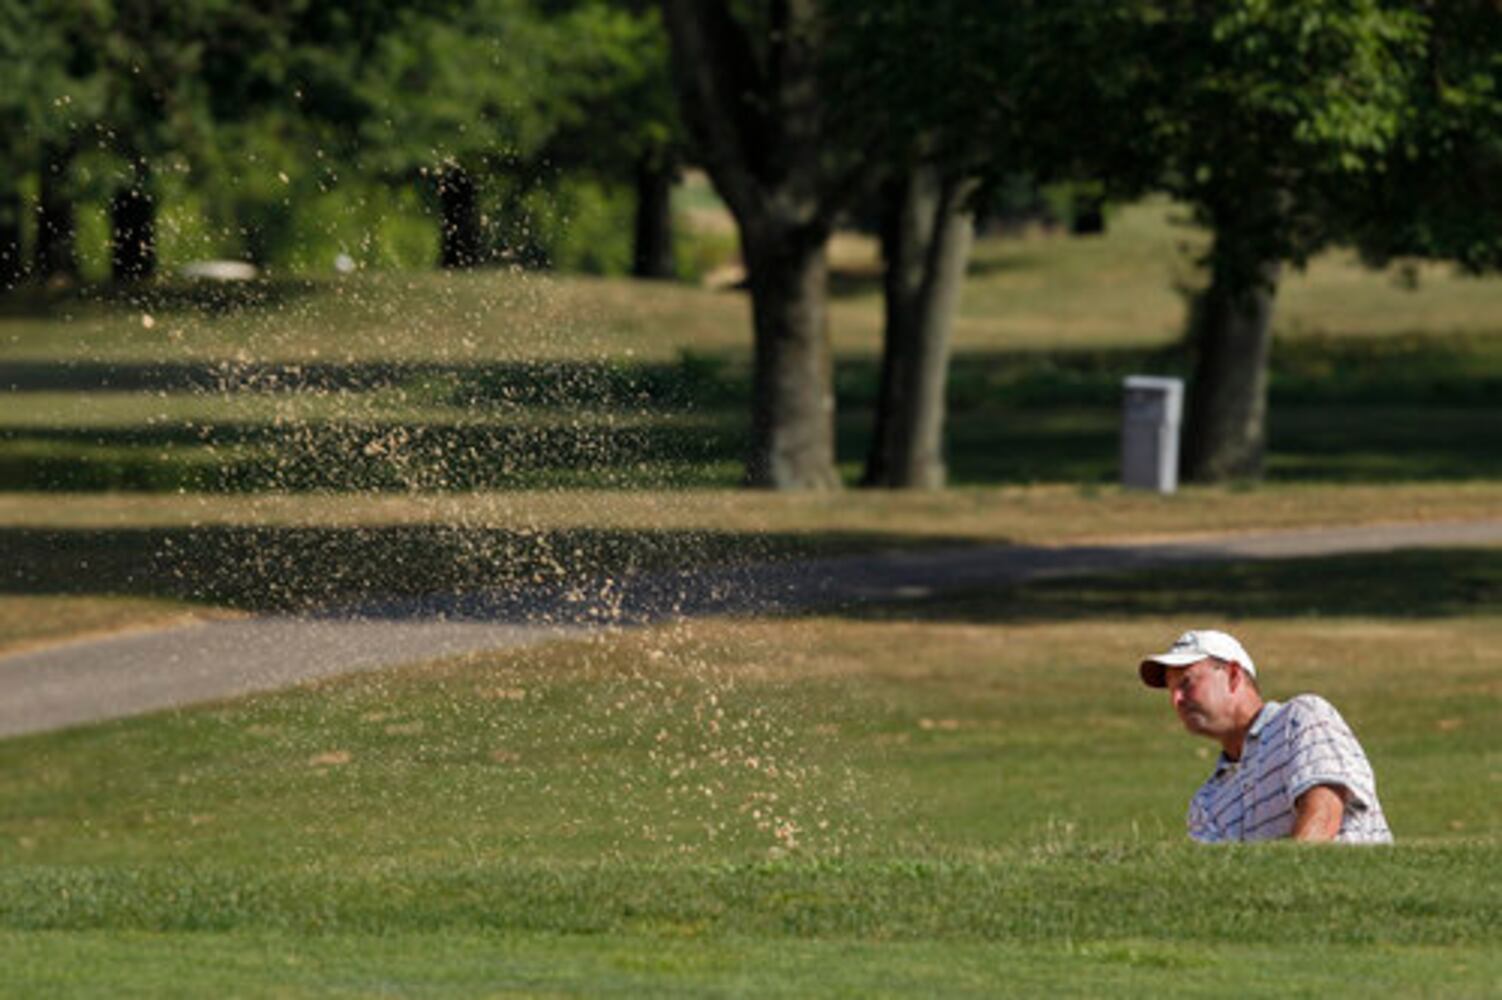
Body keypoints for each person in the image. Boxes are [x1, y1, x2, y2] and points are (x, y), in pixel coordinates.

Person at [1139, 629, 1392, 844]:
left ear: (1234, 675)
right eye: (1171, 690)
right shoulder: (1206, 803)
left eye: (1186, 683)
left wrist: (1286, 888)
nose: (1176, 700)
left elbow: (1323, 817)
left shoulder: (1301, 717)